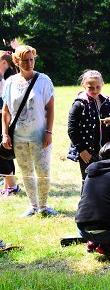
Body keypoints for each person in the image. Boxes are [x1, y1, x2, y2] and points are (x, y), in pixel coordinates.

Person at [2, 45, 57, 217]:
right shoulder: (10, 82)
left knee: (43, 171)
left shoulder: (44, 80)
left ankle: (43, 206)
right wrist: (5, 134)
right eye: (25, 60)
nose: (29, 63)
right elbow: (5, 111)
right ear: (16, 62)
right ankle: (33, 205)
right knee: (26, 172)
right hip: (18, 137)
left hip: (39, 136)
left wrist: (49, 132)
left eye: (31, 59)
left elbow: (51, 108)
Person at [67, 70, 110, 182]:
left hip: (105, 150)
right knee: (89, 181)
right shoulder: (79, 104)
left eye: (98, 87)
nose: (94, 90)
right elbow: (72, 129)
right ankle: (86, 200)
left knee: (105, 181)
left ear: (102, 84)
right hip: (87, 151)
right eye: (90, 87)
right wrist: (82, 150)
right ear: (84, 86)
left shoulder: (107, 102)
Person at [0, 50, 20, 195]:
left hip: (6, 119)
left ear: (4, 62)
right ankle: (9, 185)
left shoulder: (10, 78)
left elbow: (9, 104)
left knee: (4, 151)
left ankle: (11, 185)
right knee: (4, 151)